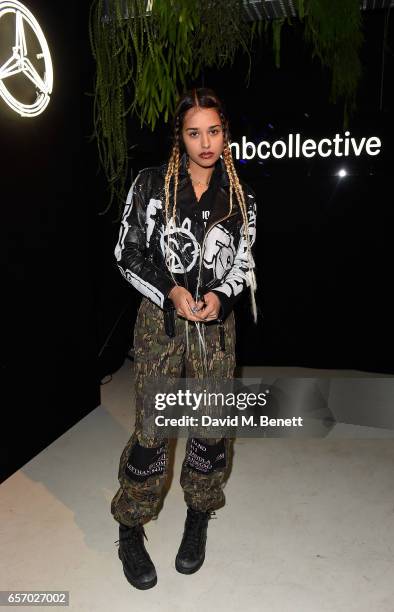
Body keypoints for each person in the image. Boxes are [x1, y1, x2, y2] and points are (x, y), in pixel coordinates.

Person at [111, 87, 258, 590]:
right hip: (160, 324)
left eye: (214, 131)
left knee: (210, 429)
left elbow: (243, 263)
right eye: (195, 132)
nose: (206, 142)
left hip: (216, 330)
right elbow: (126, 252)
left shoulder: (241, 198)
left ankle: (199, 514)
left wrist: (222, 296)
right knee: (153, 430)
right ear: (181, 137)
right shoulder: (151, 184)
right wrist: (170, 290)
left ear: (225, 133)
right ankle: (130, 523)